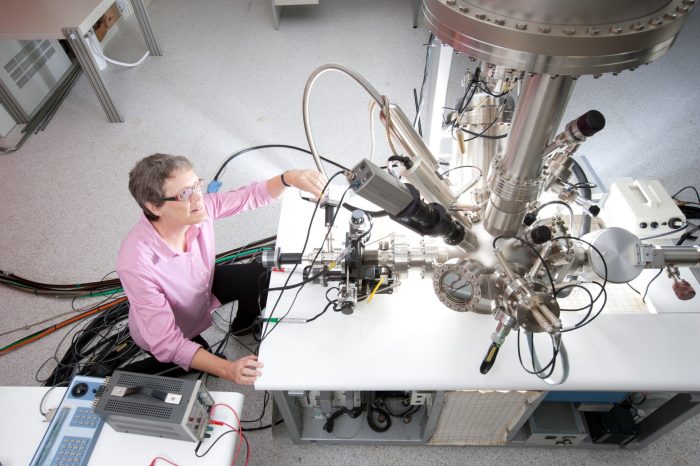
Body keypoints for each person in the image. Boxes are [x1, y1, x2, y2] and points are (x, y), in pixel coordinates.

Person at [116, 153, 326, 384]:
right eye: (184, 193)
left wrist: (289, 178)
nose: (198, 198)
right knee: (197, 354)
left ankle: (243, 325)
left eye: (197, 185)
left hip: (201, 286)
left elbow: (251, 195)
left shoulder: (199, 208)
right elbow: (167, 342)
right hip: (176, 325)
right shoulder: (136, 264)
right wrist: (226, 369)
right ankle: (112, 378)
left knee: (258, 276)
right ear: (155, 206)